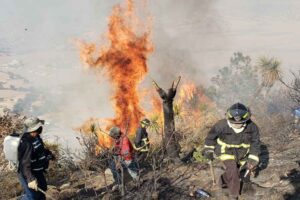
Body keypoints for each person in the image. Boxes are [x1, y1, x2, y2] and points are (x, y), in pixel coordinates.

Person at [202, 103, 260, 200]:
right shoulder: (221, 125)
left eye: (239, 123)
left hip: (242, 153)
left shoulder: (252, 127)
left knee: (234, 172)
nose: (237, 125)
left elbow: (255, 143)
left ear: (245, 120)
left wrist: (253, 157)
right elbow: (210, 138)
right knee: (233, 170)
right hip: (225, 151)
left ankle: (222, 181)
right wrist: (208, 150)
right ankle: (233, 196)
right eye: (234, 123)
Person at [18, 117, 55, 200]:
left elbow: (40, 150)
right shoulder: (26, 143)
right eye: (39, 127)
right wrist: (30, 180)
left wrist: (49, 154)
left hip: (38, 170)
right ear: (34, 129)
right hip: (28, 173)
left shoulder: (36, 137)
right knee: (32, 197)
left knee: (42, 192)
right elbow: (24, 163)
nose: (40, 129)